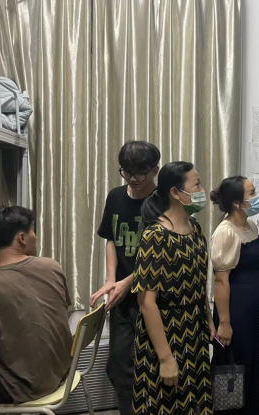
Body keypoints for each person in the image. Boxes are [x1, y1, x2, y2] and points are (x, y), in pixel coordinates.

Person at [131, 162, 215, 415]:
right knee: (166, 405)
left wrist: (208, 318)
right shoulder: (155, 237)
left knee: (196, 402)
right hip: (166, 334)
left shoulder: (194, 229)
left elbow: (198, 281)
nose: (202, 190)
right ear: (175, 193)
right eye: (196, 184)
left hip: (195, 332)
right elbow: (146, 303)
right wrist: (166, 358)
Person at [89, 141, 160, 415]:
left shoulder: (163, 202)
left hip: (153, 295)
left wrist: (129, 281)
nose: (132, 179)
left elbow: (161, 255)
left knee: (153, 364)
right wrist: (110, 279)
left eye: (139, 173)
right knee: (118, 366)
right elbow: (111, 238)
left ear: (154, 170)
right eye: (126, 172)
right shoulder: (116, 196)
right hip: (121, 297)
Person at [0, 207, 73, 404]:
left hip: (24, 387)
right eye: (33, 231)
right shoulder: (51, 266)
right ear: (22, 238)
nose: (35, 237)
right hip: (62, 373)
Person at [210, 176, 259, 415]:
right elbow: (221, 281)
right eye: (251, 193)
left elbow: (253, 270)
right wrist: (224, 323)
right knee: (233, 371)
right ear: (236, 203)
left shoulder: (250, 226)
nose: (256, 197)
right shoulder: (226, 232)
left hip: (252, 309)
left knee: (251, 367)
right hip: (234, 312)